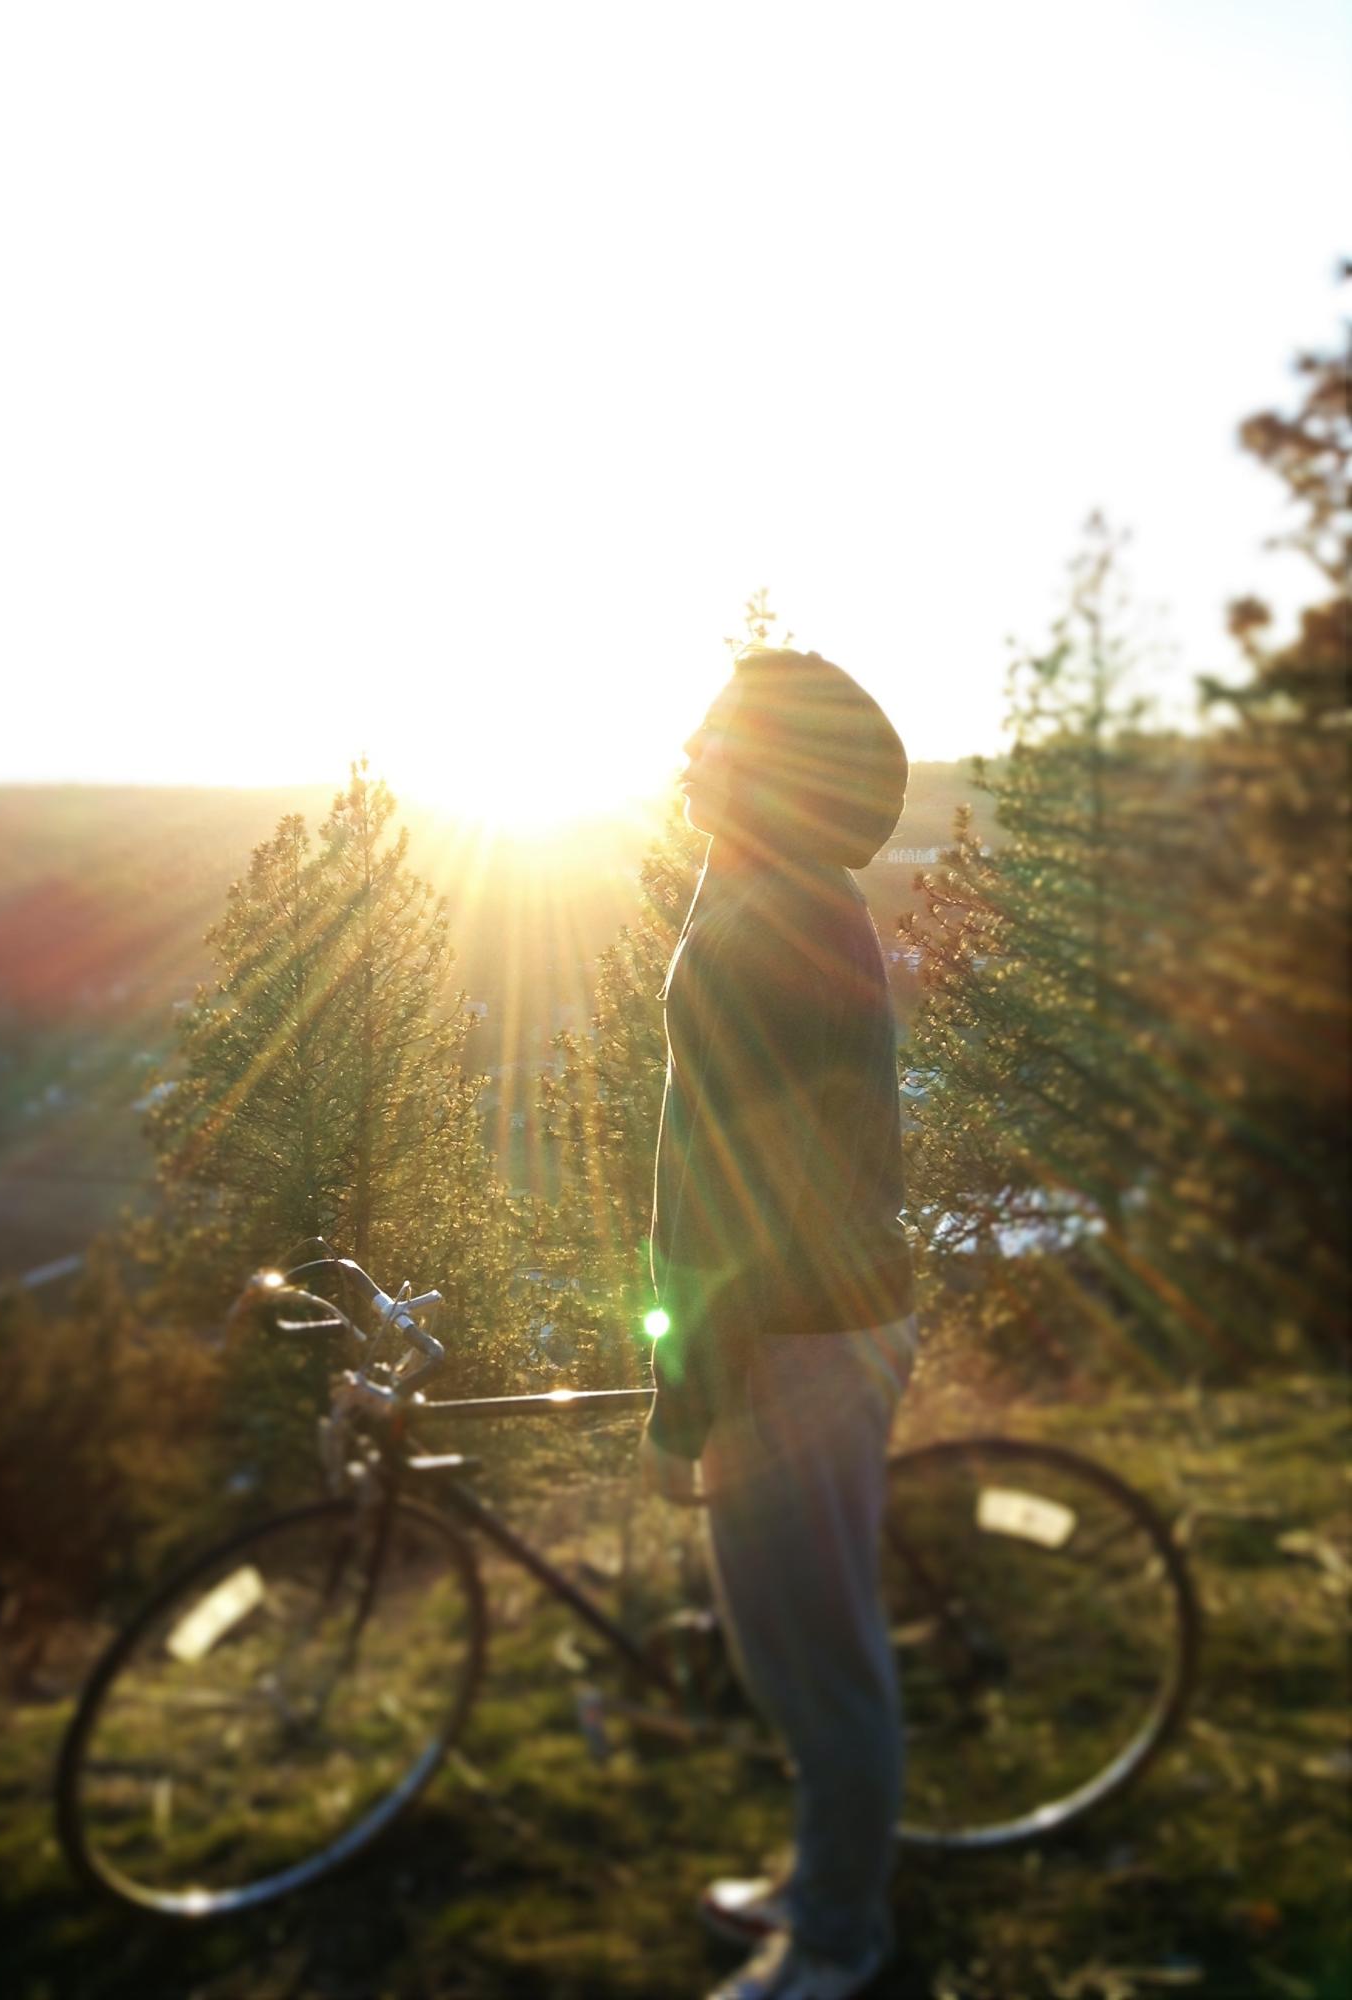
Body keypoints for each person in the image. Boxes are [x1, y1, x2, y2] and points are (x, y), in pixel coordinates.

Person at [639, 646, 918, 2000]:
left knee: (818, 1656)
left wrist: (680, 1399)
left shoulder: (781, 918)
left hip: (798, 1341)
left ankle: (840, 1940)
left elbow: (744, 1198)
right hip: (791, 1332)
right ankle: (822, 1877)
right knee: (785, 1644)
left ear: (769, 774)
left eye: (709, 739)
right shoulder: (761, 888)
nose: (682, 756)